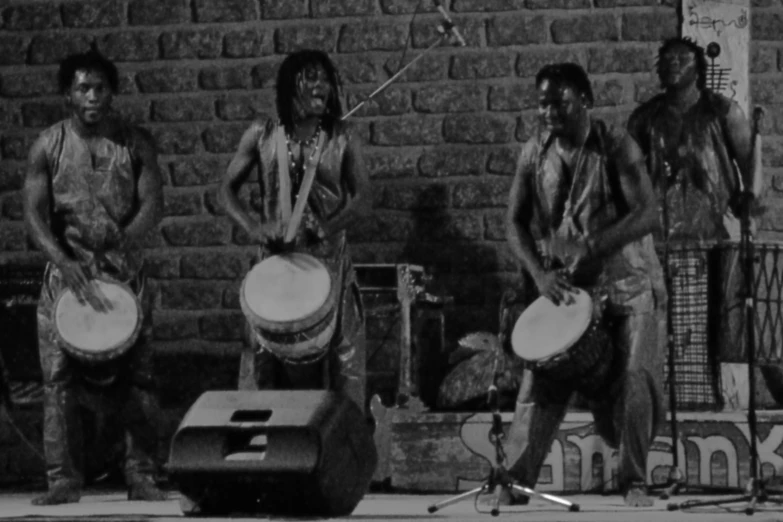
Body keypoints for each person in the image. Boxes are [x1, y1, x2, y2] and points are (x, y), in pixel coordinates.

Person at [504, 63, 666, 507]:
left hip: (627, 284)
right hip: (568, 288)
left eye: (560, 101)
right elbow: (513, 222)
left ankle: (634, 479)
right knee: (541, 378)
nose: (549, 111)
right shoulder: (534, 152)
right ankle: (517, 478)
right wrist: (539, 274)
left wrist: (594, 245)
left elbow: (649, 213)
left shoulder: (615, 144)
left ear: (586, 101)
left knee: (633, 381)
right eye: (542, 102)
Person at [23, 46, 166, 505]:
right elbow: (34, 216)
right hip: (68, 281)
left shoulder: (134, 142)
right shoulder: (48, 145)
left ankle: (142, 475)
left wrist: (120, 246)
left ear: (112, 92)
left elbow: (152, 205)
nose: (92, 96)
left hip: (123, 277)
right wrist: (64, 260)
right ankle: (63, 480)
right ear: (68, 93)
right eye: (83, 87)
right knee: (58, 382)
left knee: (140, 380)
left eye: (100, 87)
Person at [220, 49, 370, 413]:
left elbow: (364, 198)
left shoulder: (343, 136)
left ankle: (344, 454)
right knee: (259, 361)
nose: (322, 86)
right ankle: (256, 452)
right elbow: (226, 191)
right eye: (311, 78)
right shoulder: (262, 133)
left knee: (346, 361)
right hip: (274, 265)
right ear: (290, 85)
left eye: (325, 80)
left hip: (329, 265)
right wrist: (255, 227)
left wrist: (328, 226)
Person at [627, 36, 761, 242]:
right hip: (661, 237)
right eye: (668, 58)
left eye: (683, 58)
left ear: (698, 69)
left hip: (716, 233)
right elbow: (629, 173)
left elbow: (750, 165)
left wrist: (750, 208)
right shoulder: (644, 118)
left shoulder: (724, 112)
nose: (674, 62)